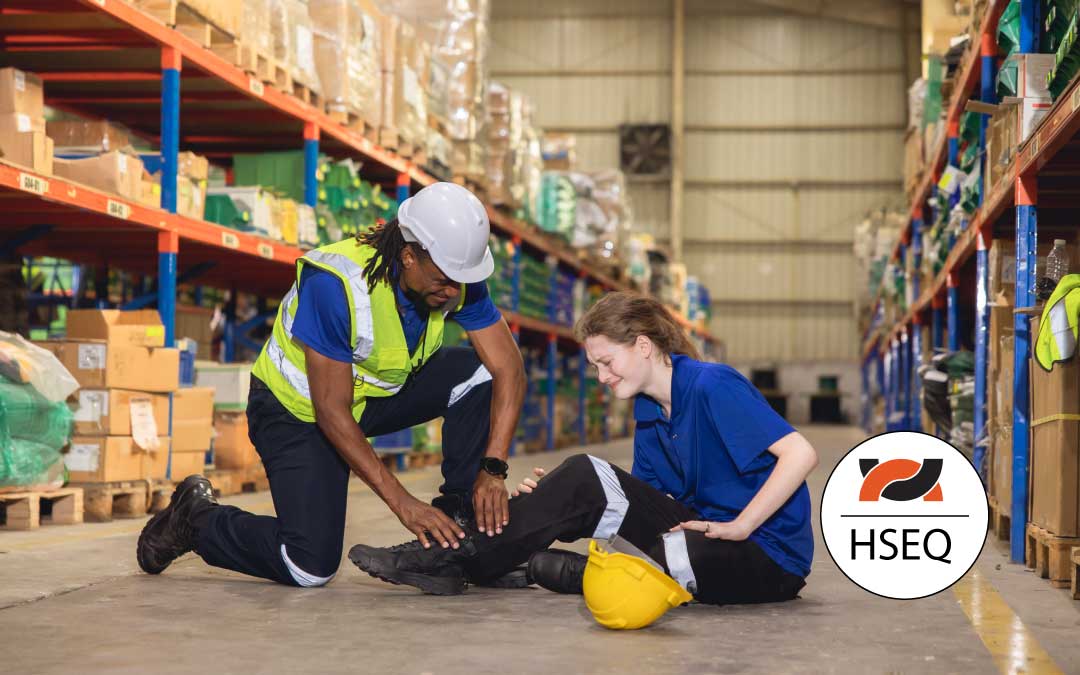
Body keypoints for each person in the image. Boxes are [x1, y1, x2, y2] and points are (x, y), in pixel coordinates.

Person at [137, 182, 526, 590]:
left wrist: (493, 468)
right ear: (409, 256)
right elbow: (330, 410)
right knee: (308, 566)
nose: (453, 291)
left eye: (460, 281)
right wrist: (404, 504)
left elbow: (509, 369)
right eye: (444, 280)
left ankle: (455, 536)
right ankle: (194, 518)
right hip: (295, 410)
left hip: (370, 398)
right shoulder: (336, 284)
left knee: (479, 372)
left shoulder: (453, 274)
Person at [349, 291, 817, 605]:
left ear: (643, 346)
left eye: (607, 362)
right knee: (583, 476)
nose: (602, 376)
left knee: (683, 552)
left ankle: (582, 573)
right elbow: (639, 505)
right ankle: (452, 557)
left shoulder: (712, 385)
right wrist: (556, 497)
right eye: (595, 365)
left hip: (764, 553)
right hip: (699, 528)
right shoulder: (650, 411)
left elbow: (800, 455)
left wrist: (739, 526)